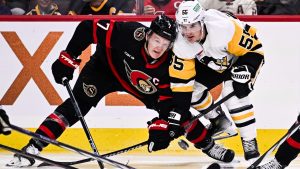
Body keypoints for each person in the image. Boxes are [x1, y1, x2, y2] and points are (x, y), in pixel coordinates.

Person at [6, 14, 234, 167]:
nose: (159, 47)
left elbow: (168, 100)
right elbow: (88, 27)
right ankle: (33, 148)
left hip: (146, 89)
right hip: (105, 71)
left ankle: (210, 146)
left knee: (180, 115)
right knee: (75, 107)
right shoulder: (130, 34)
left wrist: (162, 126)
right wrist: (69, 58)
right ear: (147, 35)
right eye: (156, 40)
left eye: (165, 44)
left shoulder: (171, 63)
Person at [171, 0, 264, 161]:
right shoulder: (180, 42)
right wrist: (180, 115)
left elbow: (255, 49)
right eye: (183, 26)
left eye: (193, 25)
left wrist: (249, 69)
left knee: (234, 96)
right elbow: (182, 84)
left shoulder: (224, 28)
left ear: (202, 22)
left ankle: (250, 142)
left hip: (239, 58)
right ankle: (218, 119)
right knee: (192, 92)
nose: (188, 32)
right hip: (213, 62)